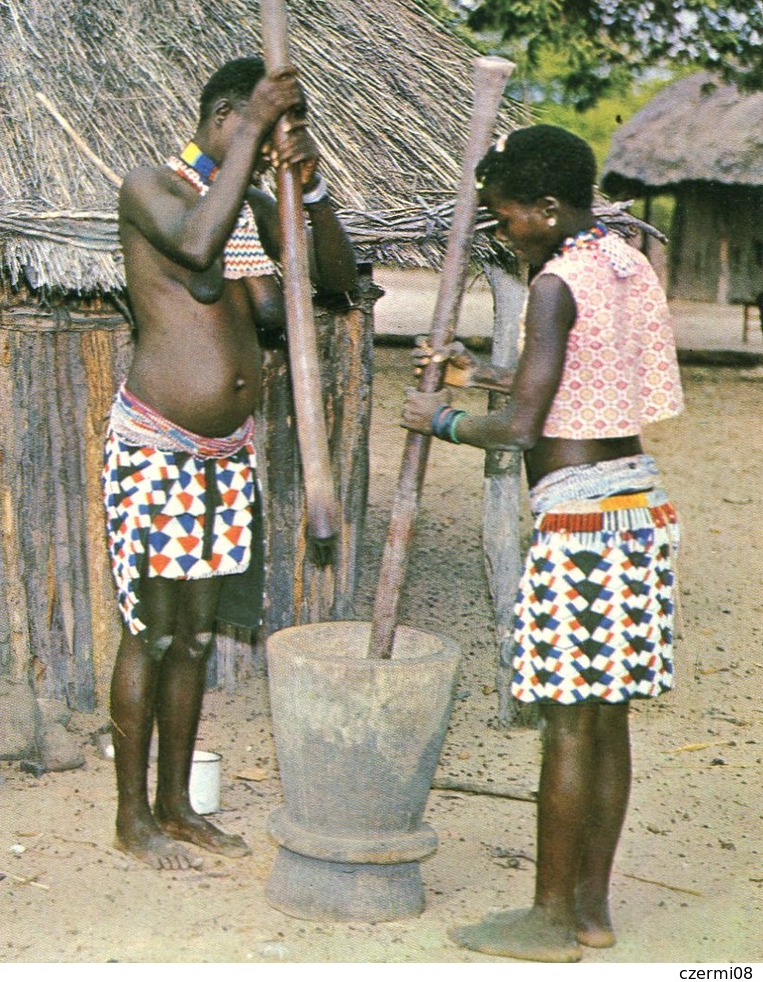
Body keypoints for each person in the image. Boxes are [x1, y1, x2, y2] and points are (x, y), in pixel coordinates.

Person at [402, 125, 683, 962]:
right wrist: (472, 371)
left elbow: (523, 427)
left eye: (511, 216)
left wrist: (443, 418)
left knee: (565, 725)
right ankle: (591, 910)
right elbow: (574, 380)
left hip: (581, 523)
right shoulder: (621, 259)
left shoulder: (558, 282)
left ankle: (548, 918)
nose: (505, 231)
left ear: (549, 208)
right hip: (638, 506)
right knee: (606, 721)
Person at [106, 57, 357, 870]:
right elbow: (194, 243)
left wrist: (309, 195)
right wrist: (257, 128)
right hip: (159, 449)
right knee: (151, 634)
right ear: (224, 117)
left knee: (193, 640)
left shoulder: (248, 207)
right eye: (270, 127)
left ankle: (178, 805)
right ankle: (131, 818)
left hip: (224, 455)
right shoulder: (152, 189)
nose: (281, 146)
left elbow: (333, 282)